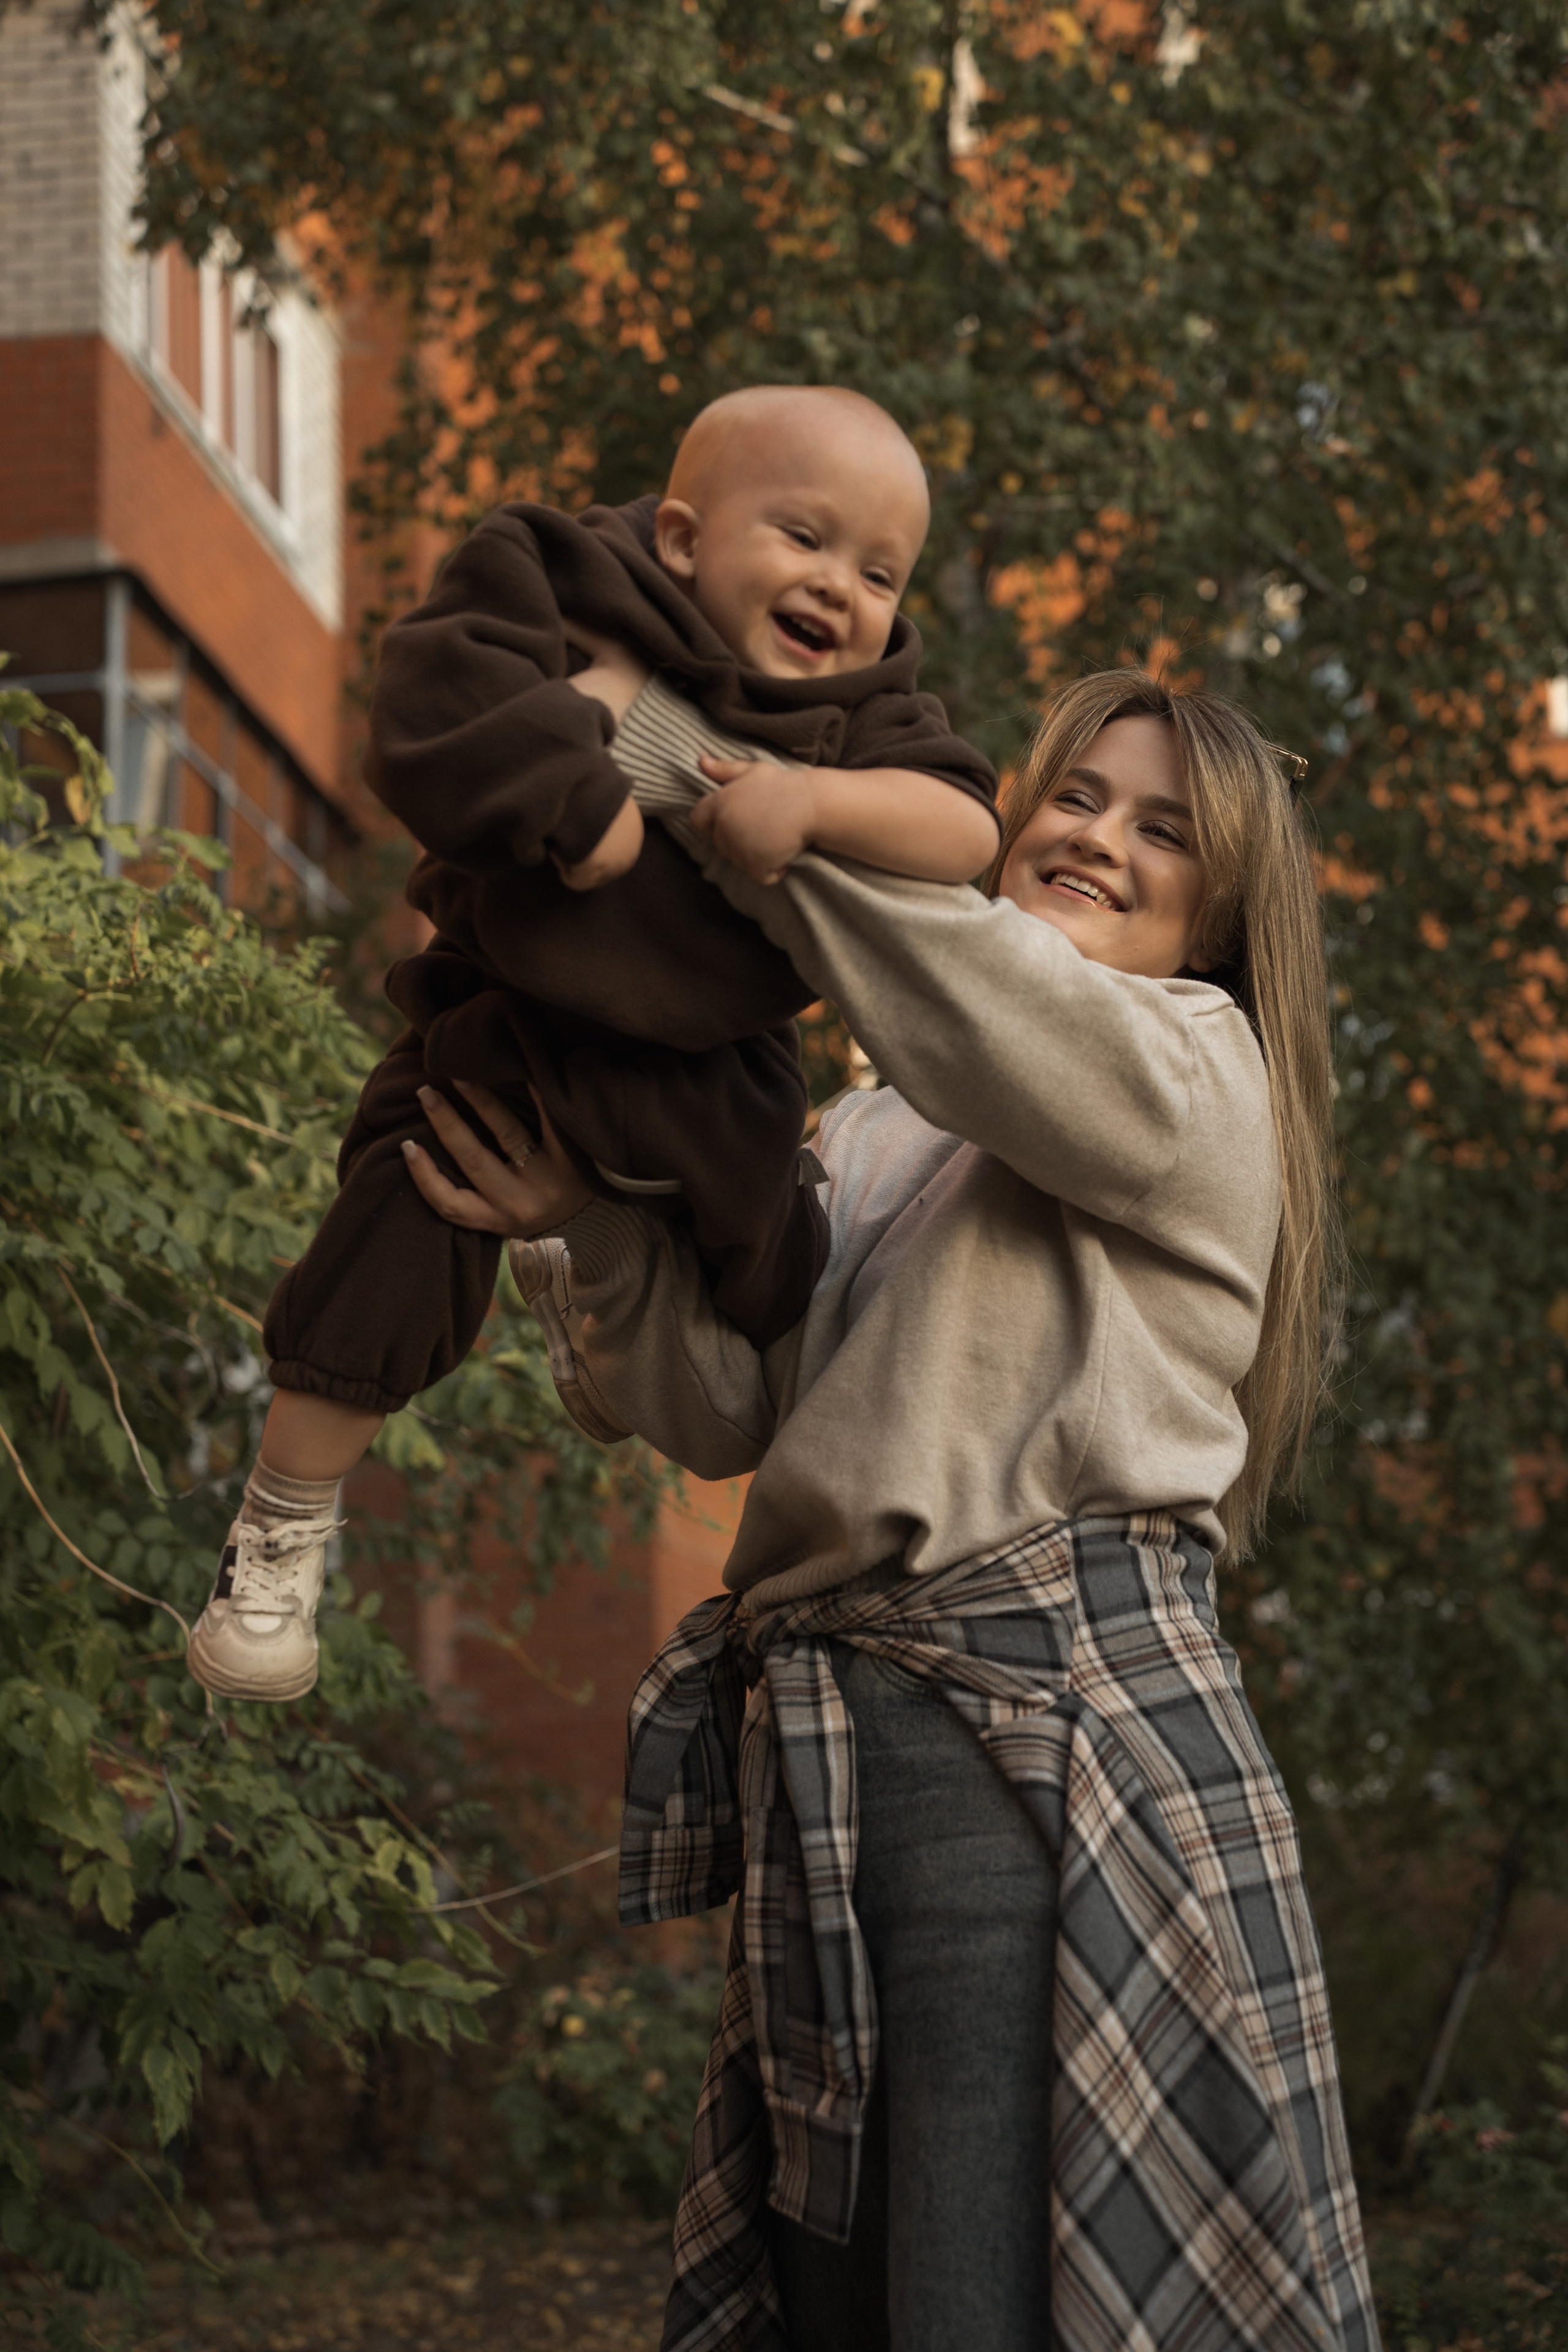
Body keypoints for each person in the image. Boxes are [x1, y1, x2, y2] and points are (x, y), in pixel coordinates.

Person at [401, 657, 1380, 2352]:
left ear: (1219, 919)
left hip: (1057, 1752)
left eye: (1164, 830)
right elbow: (725, 1407)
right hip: (842, 1752)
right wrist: (601, 1224)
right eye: (1075, 793)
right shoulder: (870, 1131)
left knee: (983, 2286)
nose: (1098, 837)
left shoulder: (1193, 1069)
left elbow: (963, 977)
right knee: (854, 2285)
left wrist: (687, 767)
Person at [186, 386, 1000, 1706]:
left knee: (783, 1290)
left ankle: (609, 1316)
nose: (837, 590)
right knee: (400, 1223)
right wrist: (574, 795)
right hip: (508, 1021)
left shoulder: (861, 718)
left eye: (876, 574)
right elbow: (433, 687)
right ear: (681, 538)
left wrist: (814, 798)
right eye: (802, 538)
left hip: (709, 1074)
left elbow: (966, 830)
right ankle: (282, 1527)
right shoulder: (563, 575)